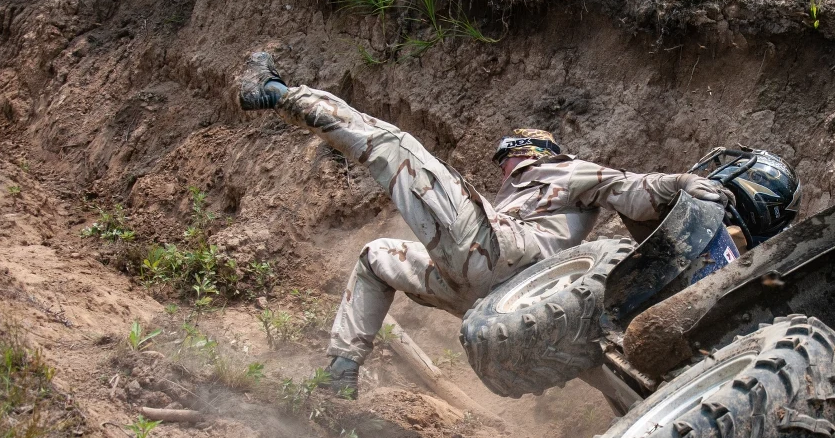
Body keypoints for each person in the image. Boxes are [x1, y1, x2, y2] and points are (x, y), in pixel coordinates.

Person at [237, 51, 739, 398]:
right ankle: (341, 374)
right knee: (376, 258)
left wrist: (678, 183)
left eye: (509, 153)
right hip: (484, 297)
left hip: (514, 261)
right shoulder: (516, 191)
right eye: (502, 157)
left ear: (533, 151)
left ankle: (278, 91)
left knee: (397, 148)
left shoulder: (566, 170)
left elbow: (630, 189)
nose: (504, 164)